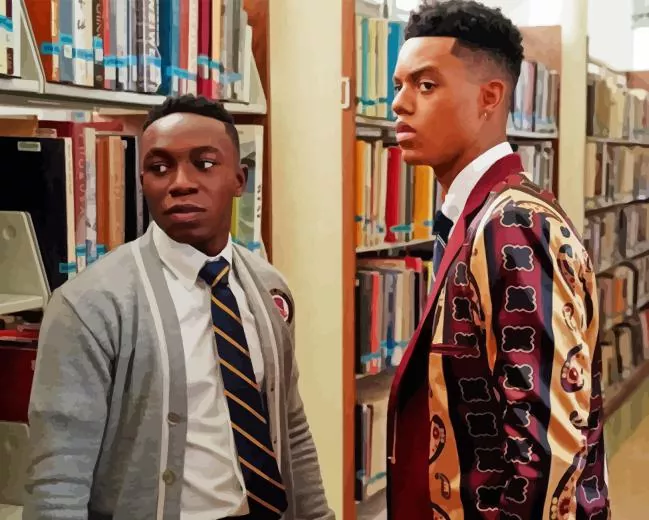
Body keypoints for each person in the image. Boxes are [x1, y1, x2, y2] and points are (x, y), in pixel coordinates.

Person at [23, 95, 334, 520]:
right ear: (142, 182)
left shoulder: (268, 288)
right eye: (159, 167)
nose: (181, 182)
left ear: (239, 180)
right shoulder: (89, 305)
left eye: (204, 164)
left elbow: (290, 426)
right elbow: (58, 475)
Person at [386, 2, 609, 519]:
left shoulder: (513, 224)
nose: (399, 103)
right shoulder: (475, 217)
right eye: (398, 85)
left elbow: (547, 450)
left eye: (425, 85)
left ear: (490, 97)